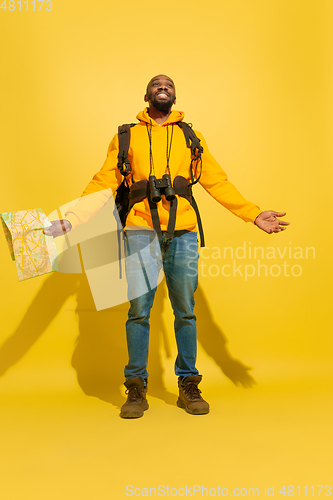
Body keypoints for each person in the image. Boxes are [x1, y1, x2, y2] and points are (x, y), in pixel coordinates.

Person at [44, 74, 290, 418]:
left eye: (169, 84)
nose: (164, 86)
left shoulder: (191, 137)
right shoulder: (125, 136)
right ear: (146, 95)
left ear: (174, 96)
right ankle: (136, 387)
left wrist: (252, 214)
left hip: (183, 233)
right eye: (157, 84)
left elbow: (217, 181)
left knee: (185, 310)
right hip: (139, 231)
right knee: (139, 312)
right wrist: (72, 219)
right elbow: (102, 182)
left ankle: (188, 383)